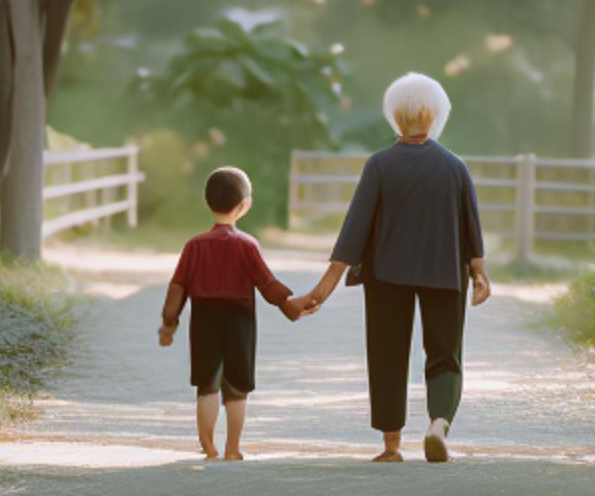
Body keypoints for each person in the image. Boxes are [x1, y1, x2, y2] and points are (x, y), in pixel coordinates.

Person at [300, 72, 491, 463]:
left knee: (386, 355)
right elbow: (471, 224)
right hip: (444, 272)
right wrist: (479, 273)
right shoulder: (455, 166)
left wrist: (323, 287)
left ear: (394, 117)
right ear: (437, 114)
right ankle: (439, 423)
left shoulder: (380, 165)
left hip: (386, 275)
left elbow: (354, 230)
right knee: (445, 354)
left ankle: (391, 447)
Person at [157, 166, 313, 461]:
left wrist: (169, 323)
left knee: (206, 385)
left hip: (204, 318)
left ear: (208, 202)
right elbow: (267, 283)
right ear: (244, 206)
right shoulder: (247, 245)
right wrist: (290, 303)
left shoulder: (194, 246)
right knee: (237, 386)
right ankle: (232, 448)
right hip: (240, 321)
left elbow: (178, 287)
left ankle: (209, 448)